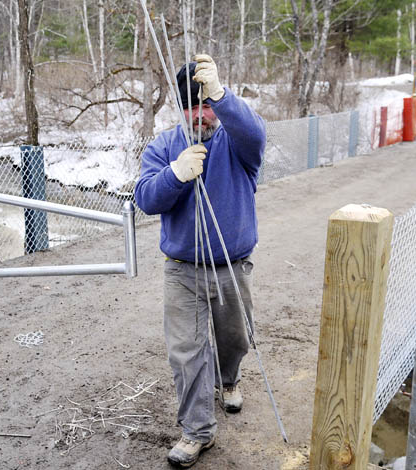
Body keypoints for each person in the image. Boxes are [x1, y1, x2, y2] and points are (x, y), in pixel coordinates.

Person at [134, 54, 266, 468]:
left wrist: (222, 95)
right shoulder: (164, 147)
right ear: (179, 107)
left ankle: (229, 380)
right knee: (187, 352)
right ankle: (197, 431)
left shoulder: (237, 142)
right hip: (183, 271)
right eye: (191, 105)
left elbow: (255, 134)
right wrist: (176, 172)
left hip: (232, 264)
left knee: (234, 339)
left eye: (205, 104)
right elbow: (145, 198)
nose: (200, 114)